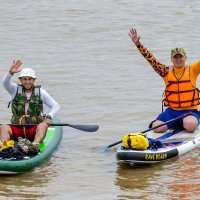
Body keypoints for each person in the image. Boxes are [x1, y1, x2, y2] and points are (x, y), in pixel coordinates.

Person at [129, 27, 200, 133]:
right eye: (175, 57)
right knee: (157, 128)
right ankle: (175, 125)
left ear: (185, 58)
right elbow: (151, 59)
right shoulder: (165, 71)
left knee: (190, 125)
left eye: (180, 57)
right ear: (171, 59)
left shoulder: (193, 69)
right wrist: (138, 44)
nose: (178, 59)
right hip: (171, 112)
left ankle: (187, 123)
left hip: (189, 111)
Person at [0, 60, 60, 148]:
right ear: (20, 79)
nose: (27, 82)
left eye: (30, 79)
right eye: (24, 79)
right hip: (18, 128)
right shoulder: (14, 89)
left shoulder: (41, 92)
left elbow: (55, 106)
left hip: (33, 129)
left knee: (43, 125)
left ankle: (35, 144)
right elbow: (5, 83)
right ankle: (4, 146)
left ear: (34, 79)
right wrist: (10, 73)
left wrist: (49, 117)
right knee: (4, 127)